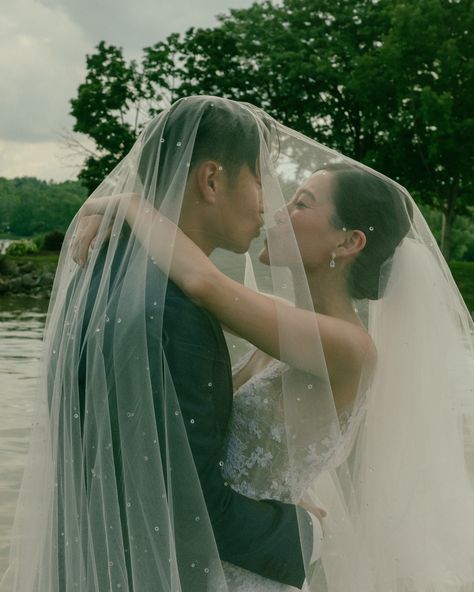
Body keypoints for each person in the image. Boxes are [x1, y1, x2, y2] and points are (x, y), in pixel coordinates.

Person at [74, 106, 474, 591]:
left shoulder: (351, 346)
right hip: (217, 552)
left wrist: (137, 206)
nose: (275, 210)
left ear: (348, 242)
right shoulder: (281, 323)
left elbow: (201, 279)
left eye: (301, 204)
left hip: (248, 566)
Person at [0, 96, 324, 592]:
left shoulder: (105, 276)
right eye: (261, 177)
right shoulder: (176, 313)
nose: (268, 202)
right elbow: (188, 506)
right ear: (212, 180)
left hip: (89, 561)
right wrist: (311, 534)